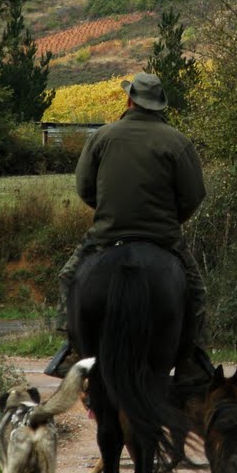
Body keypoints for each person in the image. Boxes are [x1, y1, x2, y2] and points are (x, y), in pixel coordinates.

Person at [44, 72, 212, 379]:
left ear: (129, 99)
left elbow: (84, 188)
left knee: (69, 277)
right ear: (159, 105)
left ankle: (73, 348)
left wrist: (109, 210)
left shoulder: (102, 137)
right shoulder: (178, 142)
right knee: (197, 292)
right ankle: (192, 356)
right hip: (163, 239)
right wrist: (173, 219)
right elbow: (193, 195)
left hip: (106, 235)